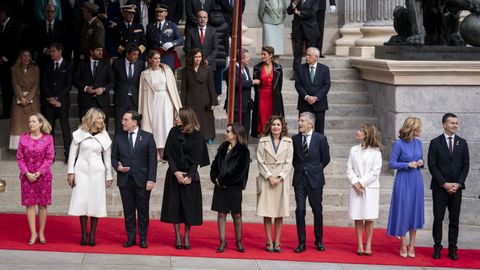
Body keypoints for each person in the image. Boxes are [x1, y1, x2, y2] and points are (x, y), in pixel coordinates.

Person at [161, 107, 210, 249]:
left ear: (187, 118)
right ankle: (177, 236)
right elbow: (169, 154)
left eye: (179, 117)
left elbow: (197, 158)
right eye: (176, 116)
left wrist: (189, 176)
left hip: (191, 177)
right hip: (174, 174)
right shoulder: (173, 132)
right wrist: (176, 172)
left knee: (189, 208)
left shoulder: (197, 135)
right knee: (174, 207)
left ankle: (186, 236)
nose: (176, 119)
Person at [67, 107, 113, 247]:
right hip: (81, 172)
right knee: (82, 201)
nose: (102, 121)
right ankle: (83, 234)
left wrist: (109, 175)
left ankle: (92, 234)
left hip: (97, 174)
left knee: (95, 202)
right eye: (99, 118)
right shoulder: (79, 134)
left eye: (102, 118)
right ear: (92, 118)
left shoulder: (104, 136)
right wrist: (71, 172)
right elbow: (71, 155)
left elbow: (108, 158)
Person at [111, 110, 157, 248]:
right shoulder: (119, 137)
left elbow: (152, 160)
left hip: (142, 181)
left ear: (135, 122)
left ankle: (143, 238)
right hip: (125, 181)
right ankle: (130, 238)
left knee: (143, 211)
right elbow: (114, 157)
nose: (122, 122)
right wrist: (117, 167)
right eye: (123, 119)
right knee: (129, 211)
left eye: (125, 119)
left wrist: (151, 179)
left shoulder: (148, 137)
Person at [428, 113, 470, 260]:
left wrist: (458, 184)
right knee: (438, 219)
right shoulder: (435, 143)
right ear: (444, 124)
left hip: (456, 188)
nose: (455, 126)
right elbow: (432, 166)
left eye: (456, 123)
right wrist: (444, 184)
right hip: (440, 188)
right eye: (452, 123)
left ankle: (453, 249)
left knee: (454, 220)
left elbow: (466, 166)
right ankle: (437, 247)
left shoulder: (462, 143)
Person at [292, 112, 330, 253]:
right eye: (299, 120)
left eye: (302, 121)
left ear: (310, 123)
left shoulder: (320, 138)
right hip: (299, 180)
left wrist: (315, 170)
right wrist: (300, 169)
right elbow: (293, 159)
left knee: (317, 210)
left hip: (315, 180)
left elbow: (326, 158)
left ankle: (318, 240)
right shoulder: (295, 139)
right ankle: (301, 242)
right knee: (300, 210)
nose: (299, 123)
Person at [387, 117, 425, 258]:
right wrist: (407, 164)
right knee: (403, 211)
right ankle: (403, 244)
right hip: (403, 180)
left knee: (414, 211)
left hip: (416, 180)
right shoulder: (398, 144)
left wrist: (421, 162)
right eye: (419, 127)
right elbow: (392, 163)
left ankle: (412, 245)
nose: (421, 130)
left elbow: (421, 159)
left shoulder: (419, 143)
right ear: (413, 129)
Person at [210, 122, 250, 253]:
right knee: (221, 214)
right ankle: (222, 242)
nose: (226, 133)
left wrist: (222, 180)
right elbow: (215, 165)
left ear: (236, 134)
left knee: (236, 215)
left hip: (234, 187)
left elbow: (239, 172)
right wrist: (215, 178)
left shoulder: (243, 150)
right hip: (220, 187)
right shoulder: (223, 147)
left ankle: (239, 242)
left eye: (228, 131)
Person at [256, 115, 293, 252]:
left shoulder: (289, 142)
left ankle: (277, 242)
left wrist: (280, 177)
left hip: (281, 180)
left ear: (282, 127)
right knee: (267, 212)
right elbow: (260, 160)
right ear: (269, 127)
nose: (276, 127)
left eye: (278, 124)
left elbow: (289, 163)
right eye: (273, 125)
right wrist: (269, 176)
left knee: (279, 212)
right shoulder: (262, 141)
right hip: (267, 179)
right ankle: (268, 241)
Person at [16, 113, 54, 245]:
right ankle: (33, 233)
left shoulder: (48, 139)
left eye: (33, 121)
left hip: (43, 177)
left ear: (40, 123)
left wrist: (38, 172)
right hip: (27, 178)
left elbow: (49, 158)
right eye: (29, 121)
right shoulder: (23, 138)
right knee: (30, 205)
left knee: (42, 205)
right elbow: (19, 158)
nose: (30, 123)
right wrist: (26, 173)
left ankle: (41, 232)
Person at [138, 50, 182, 161]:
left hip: (166, 100)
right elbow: (142, 93)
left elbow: (173, 88)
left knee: (166, 125)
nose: (157, 61)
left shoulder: (167, 70)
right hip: (153, 101)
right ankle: (156, 151)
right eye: (155, 58)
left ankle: (165, 151)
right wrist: (140, 111)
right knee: (155, 125)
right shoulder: (145, 74)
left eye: (159, 58)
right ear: (150, 60)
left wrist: (177, 104)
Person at [346, 123, 382, 256]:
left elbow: (375, 172)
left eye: (360, 130)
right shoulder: (353, 149)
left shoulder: (376, 152)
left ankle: (369, 244)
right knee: (358, 216)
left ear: (366, 134)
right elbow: (349, 168)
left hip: (370, 188)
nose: (358, 132)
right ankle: (360, 244)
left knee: (369, 217)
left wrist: (361, 183)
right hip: (355, 188)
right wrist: (355, 183)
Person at [40, 43, 73, 163]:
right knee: (50, 129)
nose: (51, 53)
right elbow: (44, 84)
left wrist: (57, 98)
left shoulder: (68, 66)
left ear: (60, 51)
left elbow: (68, 85)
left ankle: (68, 154)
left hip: (62, 102)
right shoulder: (47, 66)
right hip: (50, 102)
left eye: (53, 51)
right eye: (50, 51)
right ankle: (50, 155)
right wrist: (52, 99)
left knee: (65, 128)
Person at [180, 49, 218, 143]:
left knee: (206, 121)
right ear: (192, 58)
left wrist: (213, 101)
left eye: (199, 57)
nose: (198, 59)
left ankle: (207, 138)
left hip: (205, 100)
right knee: (192, 121)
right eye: (196, 57)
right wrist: (182, 104)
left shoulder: (207, 69)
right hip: (191, 100)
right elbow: (184, 89)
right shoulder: (186, 71)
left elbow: (211, 86)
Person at [73, 43, 115, 124]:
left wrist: (103, 89)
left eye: (101, 50)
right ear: (91, 51)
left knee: (102, 129)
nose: (100, 52)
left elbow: (112, 82)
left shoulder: (106, 64)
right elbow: (75, 80)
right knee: (85, 128)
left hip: (102, 102)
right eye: (98, 50)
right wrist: (85, 88)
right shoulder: (82, 64)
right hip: (85, 101)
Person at [294, 47, 331, 135]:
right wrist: (306, 97)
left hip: (319, 103)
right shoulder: (300, 68)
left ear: (316, 57)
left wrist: (316, 97)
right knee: (303, 128)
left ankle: (318, 148)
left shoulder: (324, 69)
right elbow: (298, 84)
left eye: (309, 55)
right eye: (306, 55)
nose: (306, 57)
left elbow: (327, 85)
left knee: (319, 130)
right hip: (304, 103)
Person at [9, 50, 41, 150]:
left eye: (28, 56)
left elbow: (36, 84)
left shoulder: (35, 69)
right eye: (24, 56)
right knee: (18, 124)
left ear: (31, 58)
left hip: (32, 100)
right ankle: (20, 148)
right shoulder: (14, 69)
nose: (26, 58)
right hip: (19, 101)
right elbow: (15, 84)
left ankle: (33, 146)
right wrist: (21, 97)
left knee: (33, 123)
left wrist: (27, 98)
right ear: (20, 58)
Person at [251, 46, 284, 138]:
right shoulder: (257, 67)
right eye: (261, 54)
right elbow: (255, 84)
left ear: (271, 55)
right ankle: (262, 138)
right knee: (261, 118)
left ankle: (273, 137)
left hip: (273, 97)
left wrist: (276, 95)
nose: (262, 56)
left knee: (273, 118)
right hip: (261, 96)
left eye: (264, 54)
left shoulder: (278, 68)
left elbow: (279, 86)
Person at [112, 44, 145, 134]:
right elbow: (113, 81)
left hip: (135, 100)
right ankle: (118, 147)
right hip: (120, 100)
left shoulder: (140, 64)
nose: (136, 56)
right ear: (127, 54)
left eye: (137, 54)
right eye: (134, 54)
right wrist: (121, 91)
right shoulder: (117, 64)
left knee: (133, 127)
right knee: (119, 127)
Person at [287, 0, 319, 80]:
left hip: (310, 28)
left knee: (311, 51)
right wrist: (294, 3)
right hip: (298, 29)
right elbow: (289, 11)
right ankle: (297, 72)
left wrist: (299, 13)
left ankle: (311, 72)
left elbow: (312, 12)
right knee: (297, 51)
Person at [145, 4, 184, 71]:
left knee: (168, 79)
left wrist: (172, 44)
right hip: (154, 58)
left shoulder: (172, 26)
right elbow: (147, 43)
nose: (158, 14)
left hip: (168, 57)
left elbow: (180, 39)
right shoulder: (150, 26)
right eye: (157, 12)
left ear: (166, 13)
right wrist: (146, 58)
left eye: (161, 12)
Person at [224, 49, 253, 136]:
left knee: (245, 130)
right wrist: (251, 82)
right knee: (236, 131)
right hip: (235, 106)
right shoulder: (231, 69)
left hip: (246, 105)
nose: (249, 59)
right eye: (247, 57)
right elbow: (236, 84)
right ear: (241, 58)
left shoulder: (246, 69)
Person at [0, 4, 19, 119]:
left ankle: (12, 112)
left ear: (4, 13)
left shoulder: (14, 26)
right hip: (2, 64)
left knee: (11, 89)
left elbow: (15, 45)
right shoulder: (1, 26)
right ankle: (6, 112)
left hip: (11, 63)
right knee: (4, 88)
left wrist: (6, 58)